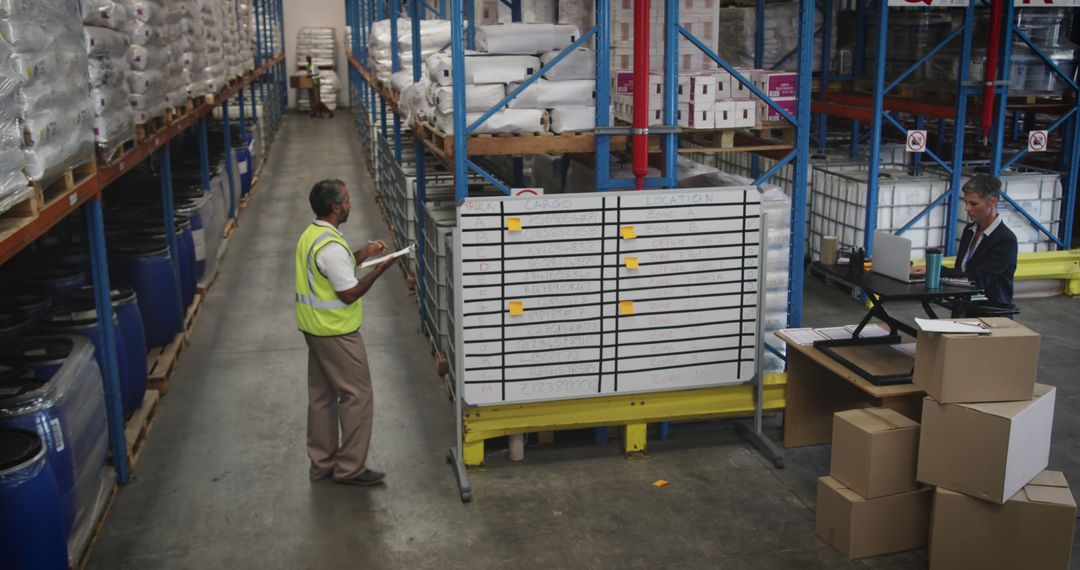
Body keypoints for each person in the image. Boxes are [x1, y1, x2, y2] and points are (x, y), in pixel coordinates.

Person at [295, 179, 396, 486]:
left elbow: (334, 269)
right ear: (336, 207)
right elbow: (348, 293)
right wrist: (379, 270)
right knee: (356, 396)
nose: (351, 204)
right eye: (348, 200)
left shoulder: (312, 235)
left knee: (322, 397)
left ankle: (322, 463)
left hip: (314, 329)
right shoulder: (330, 247)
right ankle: (350, 468)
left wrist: (362, 254)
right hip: (336, 333)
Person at [943, 174, 1018, 308]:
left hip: (990, 311)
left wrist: (936, 271)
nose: (967, 208)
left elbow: (977, 280)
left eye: (973, 203)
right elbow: (961, 270)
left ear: (993, 202)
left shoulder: (1006, 240)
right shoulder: (969, 230)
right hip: (964, 305)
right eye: (966, 202)